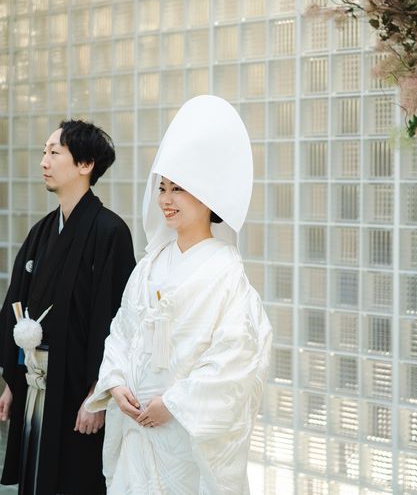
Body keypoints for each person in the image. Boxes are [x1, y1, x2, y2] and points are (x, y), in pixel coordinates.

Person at [85, 95, 272, 494]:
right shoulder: (149, 265)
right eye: (162, 188)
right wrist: (116, 383)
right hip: (137, 426)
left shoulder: (226, 272)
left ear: (207, 196)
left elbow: (236, 358)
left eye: (179, 190)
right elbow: (122, 332)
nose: (166, 201)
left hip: (183, 435)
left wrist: (173, 404)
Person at [0, 120, 136, 495]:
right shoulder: (41, 232)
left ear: (85, 164)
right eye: (43, 152)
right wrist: (13, 383)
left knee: (75, 479)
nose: (44, 161)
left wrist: (98, 397)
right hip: (35, 384)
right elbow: (17, 307)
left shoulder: (110, 232)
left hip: (78, 390)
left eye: (54, 152)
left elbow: (117, 321)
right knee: (35, 478)